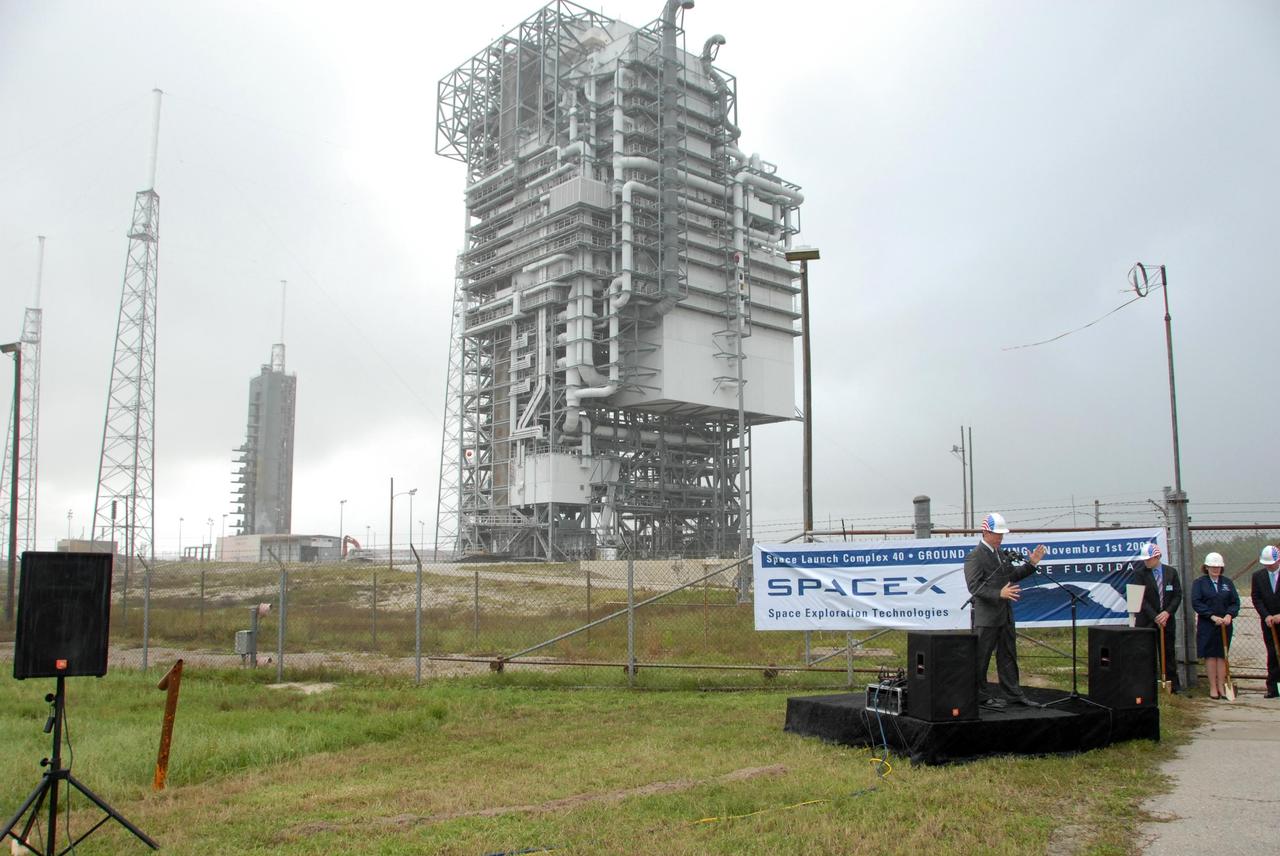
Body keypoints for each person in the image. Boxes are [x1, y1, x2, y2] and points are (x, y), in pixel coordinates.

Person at [964, 512, 1047, 709]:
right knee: (981, 657)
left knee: (1008, 655)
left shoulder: (1000, 554)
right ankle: (980, 696)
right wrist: (998, 593)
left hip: (1005, 614)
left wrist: (1032, 563)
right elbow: (974, 587)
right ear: (985, 532)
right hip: (987, 616)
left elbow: (1012, 576)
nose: (1000, 537)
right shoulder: (975, 556)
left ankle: (1013, 694)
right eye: (996, 533)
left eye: (1002, 534)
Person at [1131, 542, 1183, 692]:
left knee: (1168, 652)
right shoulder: (1139, 573)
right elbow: (1140, 598)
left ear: (1157, 557)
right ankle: (1149, 686)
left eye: (1149, 559)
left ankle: (1173, 684)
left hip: (1167, 619)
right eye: (1145, 560)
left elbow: (1177, 595)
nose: (1146, 562)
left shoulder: (1171, 573)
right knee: (1147, 653)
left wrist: (1167, 613)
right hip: (1148, 620)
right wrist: (1155, 616)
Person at [1190, 551, 1240, 700]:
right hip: (1208, 624)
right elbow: (1196, 602)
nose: (1215, 569)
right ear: (1206, 567)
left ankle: (1222, 686)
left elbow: (1235, 602)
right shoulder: (1199, 583)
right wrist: (1211, 616)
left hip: (1225, 625)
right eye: (1212, 566)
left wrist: (1229, 615)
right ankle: (1213, 687)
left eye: (1218, 567)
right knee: (1210, 656)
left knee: (1222, 655)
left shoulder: (1227, 583)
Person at [1250, 545, 1280, 698]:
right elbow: (1256, 598)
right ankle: (1273, 686)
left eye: (1271, 563)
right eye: (1266, 563)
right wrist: (1266, 615)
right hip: (1268, 622)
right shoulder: (1258, 576)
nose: (1269, 566)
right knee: (1272, 653)